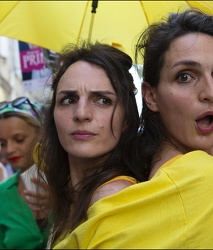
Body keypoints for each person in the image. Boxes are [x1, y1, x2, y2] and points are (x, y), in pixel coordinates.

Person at [50, 10, 213, 249]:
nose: (210, 92)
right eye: (185, 76)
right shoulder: (209, 178)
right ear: (151, 96)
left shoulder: (210, 178)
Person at [36, 41, 141, 247]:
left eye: (102, 100)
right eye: (69, 99)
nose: (81, 114)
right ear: (53, 116)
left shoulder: (114, 198)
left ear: (126, 120)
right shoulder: (71, 196)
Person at [0, 97, 50, 249]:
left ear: (41, 134)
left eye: (19, 139)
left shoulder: (71, 183)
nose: (9, 149)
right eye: (2, 143)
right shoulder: (3, 195)